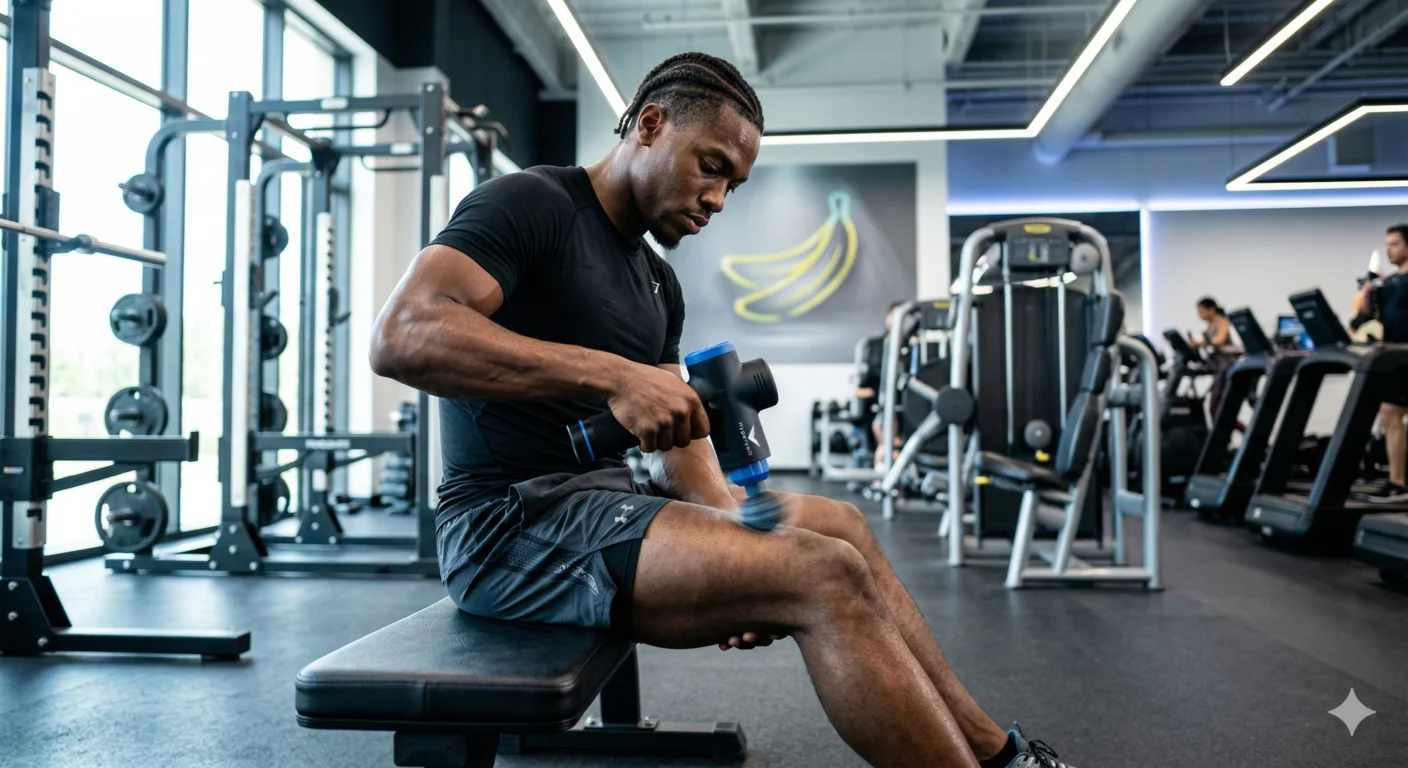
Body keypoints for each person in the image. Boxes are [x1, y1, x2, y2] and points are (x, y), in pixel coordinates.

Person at [371, 52, 1075, 768]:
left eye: (734, 185)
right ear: (650, 124)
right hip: (510, 528)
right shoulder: (531, 204)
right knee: (821, 573)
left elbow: (679, 450)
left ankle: (1001, 758)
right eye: (711, 167)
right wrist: (616, 377)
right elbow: (403, 333)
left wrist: (730, 534)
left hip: (607, 509)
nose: (718, 199)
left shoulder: (656, 283)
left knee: (842, 526)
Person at [1354, 224, 1408, 503]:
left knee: (1391, 414)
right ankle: (1397, 481)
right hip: (1395, 357)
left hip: (1405, 355)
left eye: (1395, 244)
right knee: (1389, 414)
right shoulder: (1388, 283)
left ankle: (1398, 481)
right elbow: (1365, 313)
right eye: (1387, 244)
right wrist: (1367, 291)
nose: (1389, 249)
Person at [1188, 297, 1240, 425]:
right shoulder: (1210, 325)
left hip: (1226, 366)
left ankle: (1251, 439)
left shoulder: (1221, 321)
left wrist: (1201, 343)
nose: (1199, 315)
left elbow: (1220, 339)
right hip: (1218, 367)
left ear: (1211, 310)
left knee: (1216, 409)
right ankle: (1226, 441)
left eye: (1201, 311)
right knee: (1217, 410)